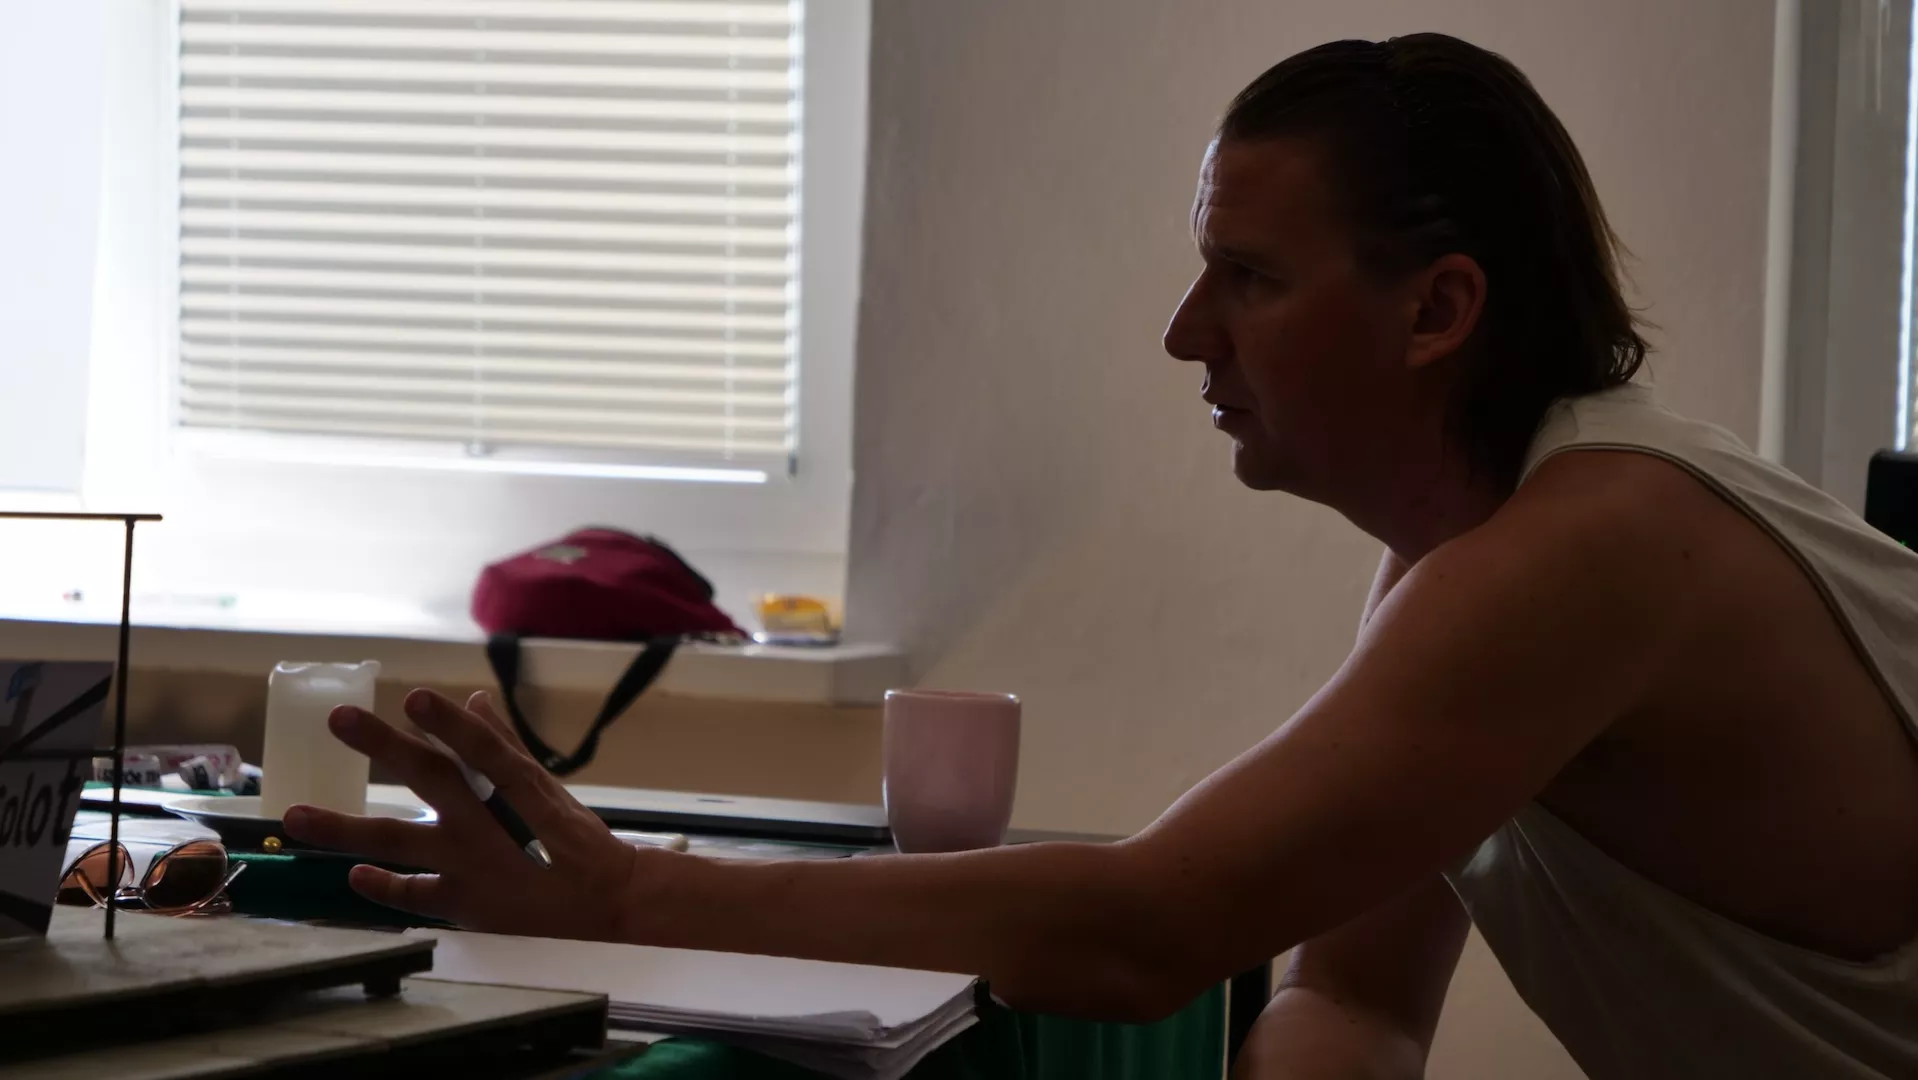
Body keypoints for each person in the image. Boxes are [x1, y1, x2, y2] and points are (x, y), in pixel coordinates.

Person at [283, 33, 1918, 1079]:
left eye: (1248, 279)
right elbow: (1351, 997)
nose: (1184, 333)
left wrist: (636, 892)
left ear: (1437, 311)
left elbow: (1150, 931)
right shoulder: (1471, 552)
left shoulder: (1591, 550)